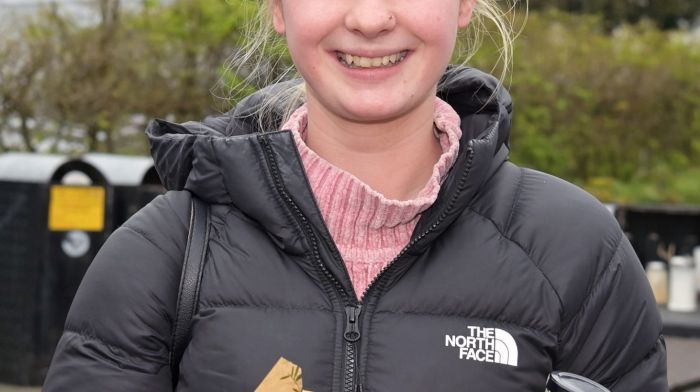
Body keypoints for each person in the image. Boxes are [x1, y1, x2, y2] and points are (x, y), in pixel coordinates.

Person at [43, 0, 668, 390]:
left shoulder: (577, 251)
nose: (370, 18)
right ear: (278, 8)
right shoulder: (164, 254)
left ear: (464, 4)